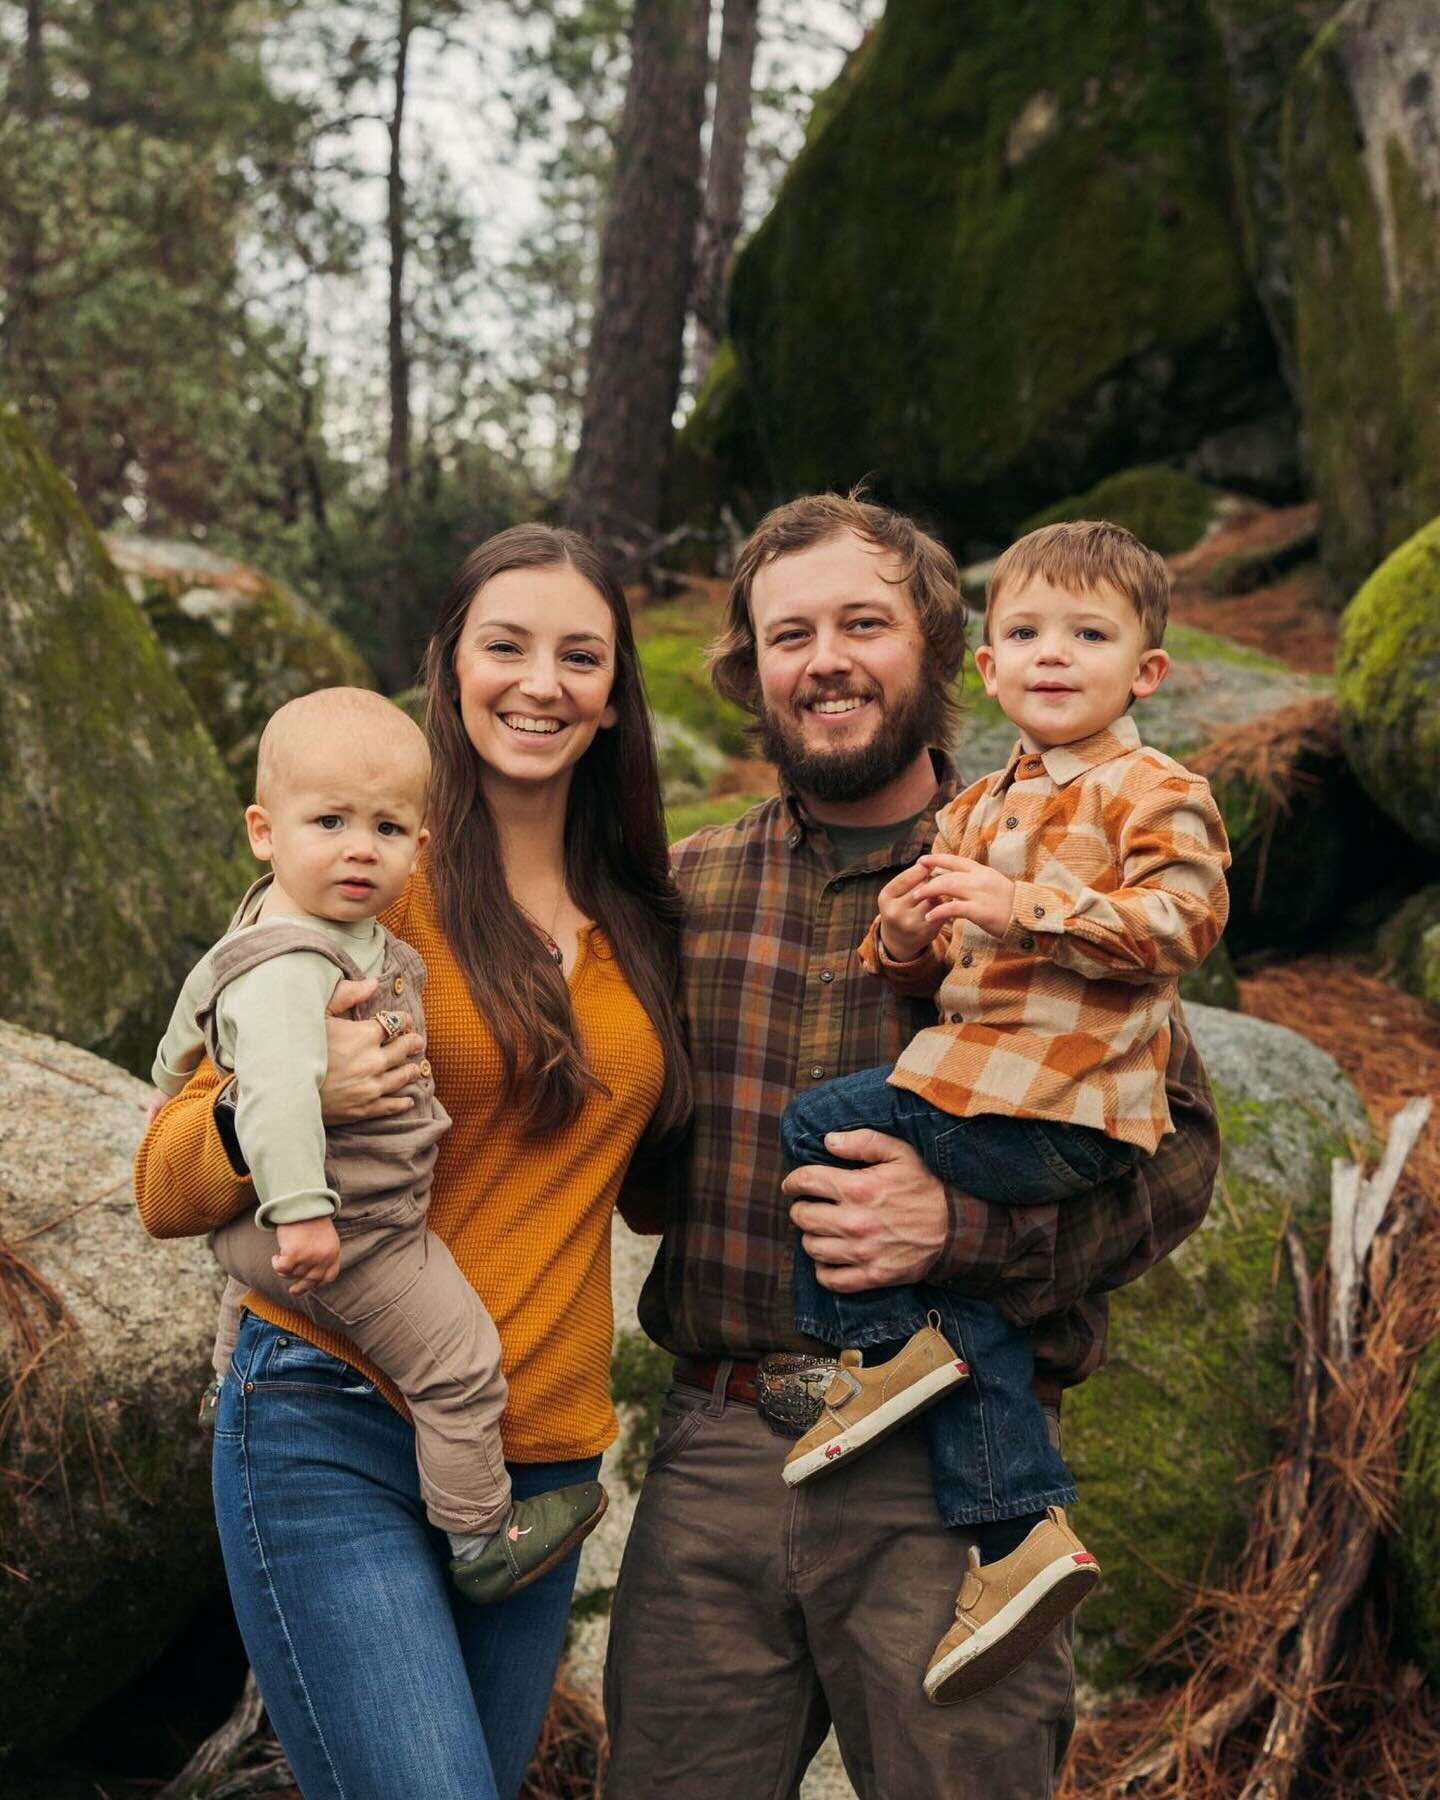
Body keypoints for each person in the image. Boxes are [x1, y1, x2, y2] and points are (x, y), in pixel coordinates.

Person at [603, 492, 1221, 1800]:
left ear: (945, 651)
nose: (825, 658)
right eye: (789, 634)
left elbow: (1181, 1162)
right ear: (753, 670)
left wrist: (962, 1233)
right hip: (713, 1469)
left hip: (948, 1480)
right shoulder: (692, 891)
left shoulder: (1066, 857)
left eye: (865, 623)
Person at [134, 526, 691, 1800]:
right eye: (506, 645)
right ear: (448, 665)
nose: (540, 682)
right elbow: (163, 1184)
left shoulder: (644, 920)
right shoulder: (360, 887)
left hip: (540, 1458)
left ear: (614, 697)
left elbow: (640, 1176)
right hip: (331, 1417)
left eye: (580, 655)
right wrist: (288, 1099)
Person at [776, 520, 1230, 1706]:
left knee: (822, 1122)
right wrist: (911, 936)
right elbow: (911, 961)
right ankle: (1018, 1538)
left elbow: (1184, 925)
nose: (1052, 655)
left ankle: (879, 1353)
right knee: (949, 1282)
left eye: (1089, 635)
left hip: (1064, 1107)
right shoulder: (977, 805)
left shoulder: (1157, 790)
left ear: (1147, 671)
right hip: (982, 1081)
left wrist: (1026, 904)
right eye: (1026, 632)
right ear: (986, 665)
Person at [147, 686, 608, 1604]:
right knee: (460, 1363)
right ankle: (483, 1536)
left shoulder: (290, 931)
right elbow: (267, 1101)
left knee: (259, 1279)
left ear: (421, 845)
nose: (361, 847)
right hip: (347, 1229)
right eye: (330, 821)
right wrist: (308, 1215)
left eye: (388, 829)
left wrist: (169, 1073)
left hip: (266, 1248)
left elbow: (187, 1019)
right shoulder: (295, 963)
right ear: (263, 831)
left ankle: (221, 1378)